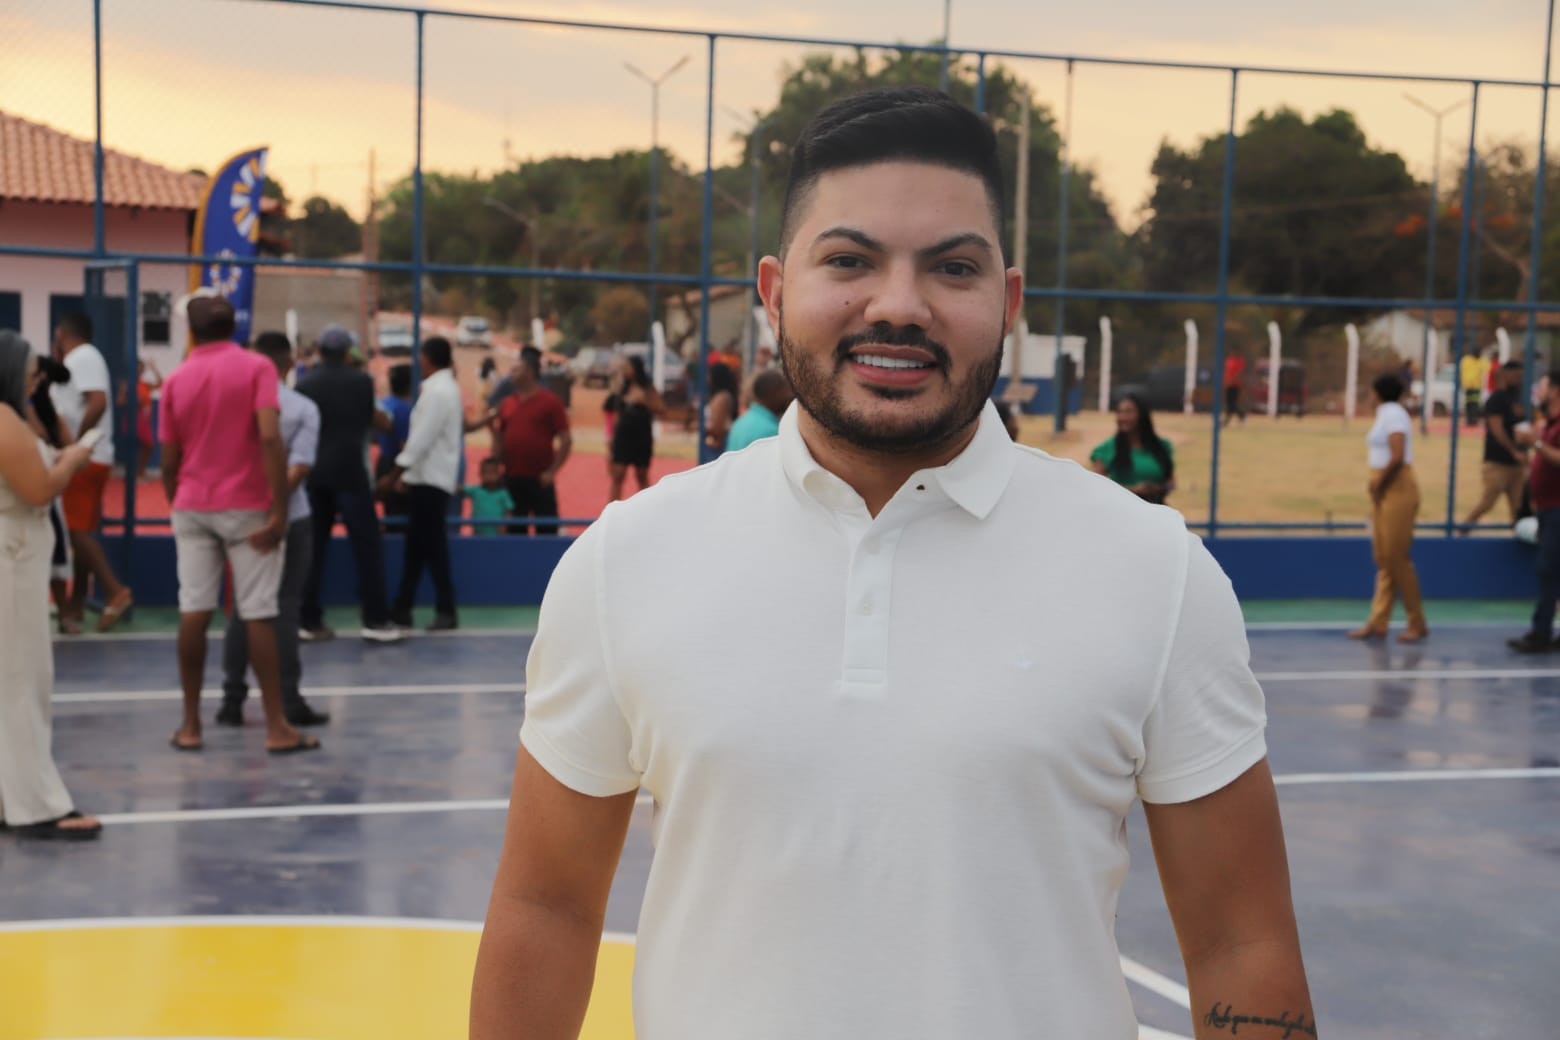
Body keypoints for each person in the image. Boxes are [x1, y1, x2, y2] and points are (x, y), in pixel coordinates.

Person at [471, 86, 1313, 1040]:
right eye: (849, 260)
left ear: (1009, 302)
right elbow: (546, 907)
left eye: (953, 267)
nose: (900, 306)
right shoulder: (627, 561)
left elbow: (1241, 943)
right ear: (774, 292)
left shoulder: (1154, 570)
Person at [159, 297, 318, 754]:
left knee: (194, 609)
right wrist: (279, 512)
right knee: (259, 612)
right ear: (234, 327)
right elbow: (269, 437)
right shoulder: (256, 368)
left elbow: (169, 458)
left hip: (193, 504)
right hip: (248, 506)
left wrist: (178, 500)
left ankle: (191, 724)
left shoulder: (176, 379)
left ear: (192, 332)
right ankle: (276, 726)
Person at [0, 330, 102, 839]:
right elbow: (38, 490)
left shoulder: (14, 417)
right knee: (23, 683)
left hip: (15, 555)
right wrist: (73, 460)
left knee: (11, 682)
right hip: (13, 558)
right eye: (28, 372)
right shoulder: (3, 420)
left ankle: (11, 798)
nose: (34, 380)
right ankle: (36, 805)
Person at [217, 332, 329, 728]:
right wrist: (277, 505)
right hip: (291, 516)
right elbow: (299, 466)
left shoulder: (233, 404)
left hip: (241, 513)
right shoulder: (303, 408)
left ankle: (232, 699)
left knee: (242, 608)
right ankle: (288, 700)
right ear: (289, 364)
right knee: (284, 606)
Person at [295, 324, 402, 643]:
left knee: (312, 550)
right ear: (346, 352)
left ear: (320, 351)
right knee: (367, 549)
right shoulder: (361, 381)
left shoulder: (305, 384)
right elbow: (373, 420)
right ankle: (375, 619)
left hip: (315, 474)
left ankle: (308, 619)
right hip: (352, 474)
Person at [49, 311, 133, 633]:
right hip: (91, 456)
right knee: (81, 529)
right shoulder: (84, 359)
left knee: (74, 532)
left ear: (61, 333)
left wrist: (77, 446)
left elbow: (98, 402)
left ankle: (114, 590)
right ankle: (77, 602)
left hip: (86, 459)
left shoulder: (81, 357)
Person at [384, 336, 464, 632]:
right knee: (418, 547)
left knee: (431, 546)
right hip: (428, 479)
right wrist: (407, 476)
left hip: (431, 481)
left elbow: (421, 439)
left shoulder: (438, 392)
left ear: (428, 358)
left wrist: (395, 474)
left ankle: (444, 608)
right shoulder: (442, 389)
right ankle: (404, 606)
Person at [1348, 372, 1428, 643]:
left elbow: (1397, 455)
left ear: (1378, 392)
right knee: (1384, 557)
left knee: (1397, 558)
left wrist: (1379, 484)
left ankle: (1417, 621)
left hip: (1397, 488)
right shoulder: (1385, 414)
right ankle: (1378, 621)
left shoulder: (1394, 414)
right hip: (1384, 488)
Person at [1507, 370, 1560, 652]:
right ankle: (1542, 630)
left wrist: (1535, 443)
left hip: (1557, 510)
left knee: (1548, 569)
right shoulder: (1550, 424)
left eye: (1542, 385)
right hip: (1548, 509)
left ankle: (1541, 633)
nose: (1537, 390)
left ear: (1555, 390)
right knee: (1551, 570)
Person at [492, 346, 571, 535]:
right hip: (512, 478)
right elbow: (501, 436)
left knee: (546, 531)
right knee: (514, 532)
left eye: (516, 369)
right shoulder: (507, 403)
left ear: (529, 371)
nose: (511, 374)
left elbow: (566, 439)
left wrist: (552, 471)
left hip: (540, 480)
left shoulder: (551, 402)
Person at [25, 354, 76, 620]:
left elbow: (61, 441)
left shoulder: (42, 407)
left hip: (44, 497)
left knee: (54, 549)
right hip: (30, 496)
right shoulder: (17, 412)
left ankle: (63, 611)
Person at [1461, 361, 1528, 532]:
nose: (1519, 379)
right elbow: (1496, 429)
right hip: (1497, 461)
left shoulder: (1518, 398)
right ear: (1505, 375)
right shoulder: (1496, 399)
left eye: (1520, 376)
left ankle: (1519, 536)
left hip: (1516, 464)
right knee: (1488, 502)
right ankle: (1464, 529)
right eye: (1516, 375)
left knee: (1519, 507)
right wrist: (1513, 450)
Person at [1089, 393, 1175, 504]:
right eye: (1119, 412)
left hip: (1155, 509)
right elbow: (1099, 488)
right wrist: (1134, 490)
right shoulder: (1105, 449)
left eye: (1128, 412)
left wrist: (1157, 488)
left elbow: (1171, 482)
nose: (1123, 417)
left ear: (1142, 414)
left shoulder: (1161, 447)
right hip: (1120, 510)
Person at [607, 353, 662, 500]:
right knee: (618, 474)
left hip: (641, 436)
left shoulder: (648, 389)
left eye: (628, 367)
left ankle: (645, 506)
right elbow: (616, 414)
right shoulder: (623, 389)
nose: (625, 370)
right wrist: (611, 436)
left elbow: (662, 409)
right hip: (623, 437)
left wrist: (644, 401)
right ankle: (613, 508)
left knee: (641, 475)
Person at [375, 363, 415, 523]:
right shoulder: (406, 409)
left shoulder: (384, 403)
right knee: (401, 516)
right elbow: (405, 445)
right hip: (397, 467)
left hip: (384, 461)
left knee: (390, 511)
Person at [724, 368, 793, 452]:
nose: (789, 395)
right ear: (773, 392)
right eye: (785, 390)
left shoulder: (739, 422)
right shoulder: (771, 431)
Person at [466, 457, 515, 534]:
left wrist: (504, 525)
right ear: (480, 474)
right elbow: (460, 489)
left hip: (497, 534)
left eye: (492, 472)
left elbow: (509, 510)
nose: (489, 476)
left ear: (499, 474)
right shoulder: (475, 491)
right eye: (485, 472)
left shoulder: (503, 493)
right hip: (477, 533)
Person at [703, 361, 739, 456]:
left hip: (718, 442)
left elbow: (717, 426)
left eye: (709, 375)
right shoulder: (722, 396)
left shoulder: (721, 398)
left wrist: (701, 428)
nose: (707, 378)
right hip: (718, 440)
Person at [1460, 346, 1490, 425]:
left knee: (1475, 403)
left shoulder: (1482, 360)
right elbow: (1462, 371)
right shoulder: (1466, 360)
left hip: (1476, 386)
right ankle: (1469, 419)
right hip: (1468, 386)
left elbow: (1487, 368)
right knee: (1469, 403)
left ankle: (1474, 419)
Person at [1222, 348, 1247, 426]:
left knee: (1232, 403)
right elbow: (1226, 372)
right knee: (1229, 403)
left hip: (1235, 385)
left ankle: (1238, 415)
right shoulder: (1228, 361)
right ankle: (1239, 414)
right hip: (1228, 384)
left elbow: (1239, 373)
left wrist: (1232, 380)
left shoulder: (1240, 361)